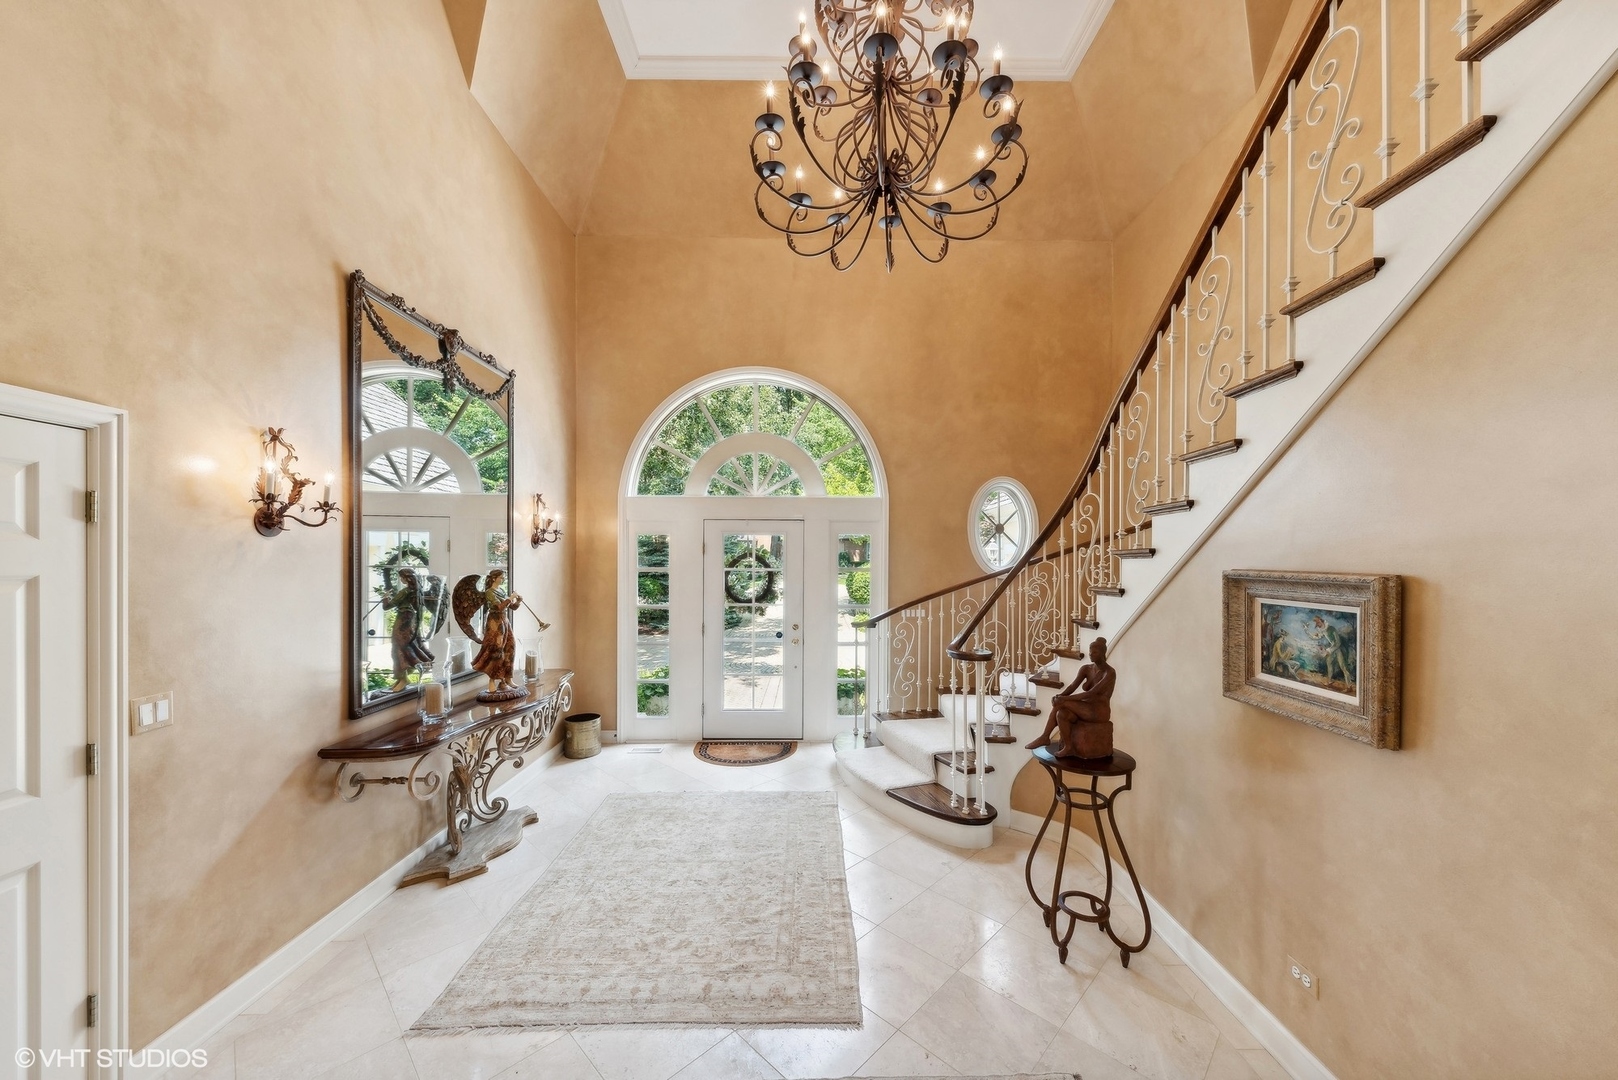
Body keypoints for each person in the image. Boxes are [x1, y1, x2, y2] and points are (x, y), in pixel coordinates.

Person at [1025, 636, 1115, 756]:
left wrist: (1064, 699)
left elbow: (1090, 693)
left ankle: (1045, 737)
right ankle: (1068, 747)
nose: (1091, 654)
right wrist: (1060, 695)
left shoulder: (1109, 673)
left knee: (1061, 703)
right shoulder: (1086, 669)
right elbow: (1072, 686)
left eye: (1094, 652)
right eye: (1090, 651)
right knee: (1062, 714)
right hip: (1085, 708)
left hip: (1099, 711)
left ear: (1102, 653)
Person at [381, 567, 436, 690]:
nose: (401, 579)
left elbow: (388, 606)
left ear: (406, 578)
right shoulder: (418, 591)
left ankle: (403, 677)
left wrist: (385, 597)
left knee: (398, 647)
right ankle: (402, 677)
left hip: (403, 620)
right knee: (406, 645)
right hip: (411, 620)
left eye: (401, 577)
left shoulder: (405, 592)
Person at [471, 569, 523, 693]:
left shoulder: (501, 591)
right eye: (501, 577)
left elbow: (511, 607)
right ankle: (493, 681)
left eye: (503, 577)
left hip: (505, 621)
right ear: (494, 578)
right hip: (495, 623)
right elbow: (498, 607)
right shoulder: (489, 592)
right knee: (497, 649)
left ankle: (508, 678)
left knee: (510, 646)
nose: (503, 579)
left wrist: (518, 601)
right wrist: (510, 598)